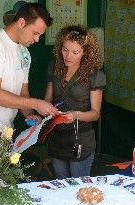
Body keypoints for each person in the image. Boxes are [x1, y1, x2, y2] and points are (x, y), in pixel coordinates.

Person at [0, 3, 58, 132]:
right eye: (35, 33)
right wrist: (37, 104)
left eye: (40, 35)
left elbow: (22, 91)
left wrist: (30, 114)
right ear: (22, 22)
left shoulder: (24, 52)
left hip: (5, 129)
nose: (37, 39)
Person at [44, 25, 105, 179]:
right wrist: (45, 110)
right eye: (65, 50)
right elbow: (47, 100)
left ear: (85, 52)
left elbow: (95, 114)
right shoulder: (55, 67)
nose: (68, 56)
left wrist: (76, 115)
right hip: (57, 137)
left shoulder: (95, 75)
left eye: (75, 52)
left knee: (77, 187)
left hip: (80, 140)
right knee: (61, 184)